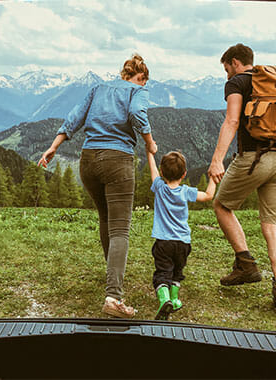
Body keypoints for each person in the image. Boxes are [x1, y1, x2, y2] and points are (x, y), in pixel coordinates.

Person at [38, 54, 157, 318]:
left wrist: (53, 147)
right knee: (120, 229)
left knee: (105, 219)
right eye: (143, 82)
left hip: (88, 161)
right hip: (118, 161)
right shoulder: (138, 91)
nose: (142, 86)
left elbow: (74, 117)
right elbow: (137, 113)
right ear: (141, 77)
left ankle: (111, 272)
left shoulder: (98, 88)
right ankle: (113, 297)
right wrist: (149, 142)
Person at [207, 43, 276, 313]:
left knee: (222, 205)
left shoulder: (238, 82)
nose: (226, 76)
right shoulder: (274, 82)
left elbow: (232, 121)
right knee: (272, 227)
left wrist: (216, 159)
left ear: (235, 62)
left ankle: (246, 264)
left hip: (255, 158)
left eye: (226, 69)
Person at [147, 150, 215, 320]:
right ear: (184, 174)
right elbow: (208, 196)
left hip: (164, 242)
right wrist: (213, 178)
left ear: (162, 173)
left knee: (162, 273)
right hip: (183, 242)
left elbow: (153, 171)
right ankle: (175, 299)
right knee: (177, 271)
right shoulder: (186, 192)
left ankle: (164, 300)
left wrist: (149, 153)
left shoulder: (159, 188)